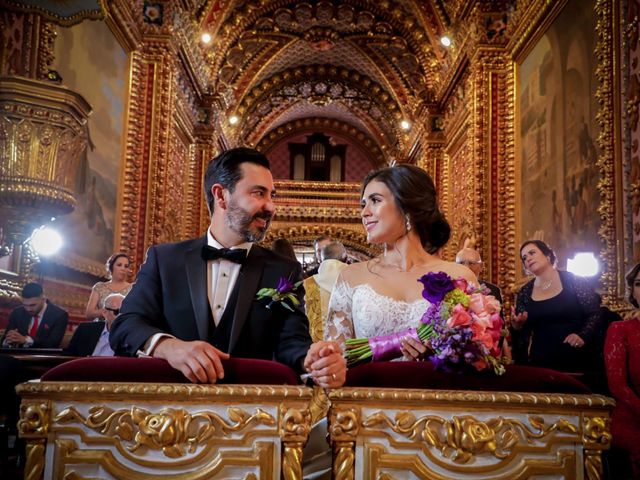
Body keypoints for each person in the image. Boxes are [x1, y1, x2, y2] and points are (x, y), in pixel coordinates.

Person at [110, 147, 346, 387]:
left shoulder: (284, 270)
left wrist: (313, 360)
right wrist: (169, 347)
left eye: (271, 195)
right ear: (221, 195)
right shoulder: (165, 260)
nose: (271, 206)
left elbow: (291, 344)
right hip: (169, 410)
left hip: (252, 413)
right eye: (258, 193)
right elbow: (126, 325)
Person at [324, 164, 476, 368]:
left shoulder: (459, 276)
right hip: (367, 395)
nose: (364, 213)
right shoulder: (351, 277)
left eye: (375, 201)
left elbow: (477, 354)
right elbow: (335, 358)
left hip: (436, 393)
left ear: (407, 207)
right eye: (363, 204)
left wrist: (440, 354)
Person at [511, 240, 604, 373]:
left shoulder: (574, 280)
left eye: (532, 253)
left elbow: (595, 313)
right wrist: (517, 327)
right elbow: (522, 336)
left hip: (576, 358)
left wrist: (582, 335)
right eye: (524, 258)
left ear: (548, 255)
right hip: (540, 363)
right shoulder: (525, 291)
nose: (528, 258)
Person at [604, 263, 640, 478]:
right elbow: (617, 385)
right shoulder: (620, 330)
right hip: (632, 417)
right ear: (633, 291)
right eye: (638, 284)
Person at [304, 241, 348, 341]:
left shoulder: (307, 283)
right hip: (348, 346)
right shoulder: (354, 281)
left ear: (321, 259)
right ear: (345, 258)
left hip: (316, 345)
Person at [1, 282, 69, 348]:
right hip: (18, 356)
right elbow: (5, 339)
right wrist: (8, 340)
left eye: (33, 305)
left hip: (44, 357)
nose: (28, 309)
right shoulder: (17, 312)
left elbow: (53, 343)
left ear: (43, 299)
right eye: (25, 305)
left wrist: (26, 340)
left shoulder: (60, 315)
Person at [85, 253, 132, 320]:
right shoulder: (99, 287)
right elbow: (89, 314)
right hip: (101, 328)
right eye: (119, 265)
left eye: (126, 266)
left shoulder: (133, 288)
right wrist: (107, 311)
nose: (123, 268)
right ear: (111, 267)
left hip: (125, 327)